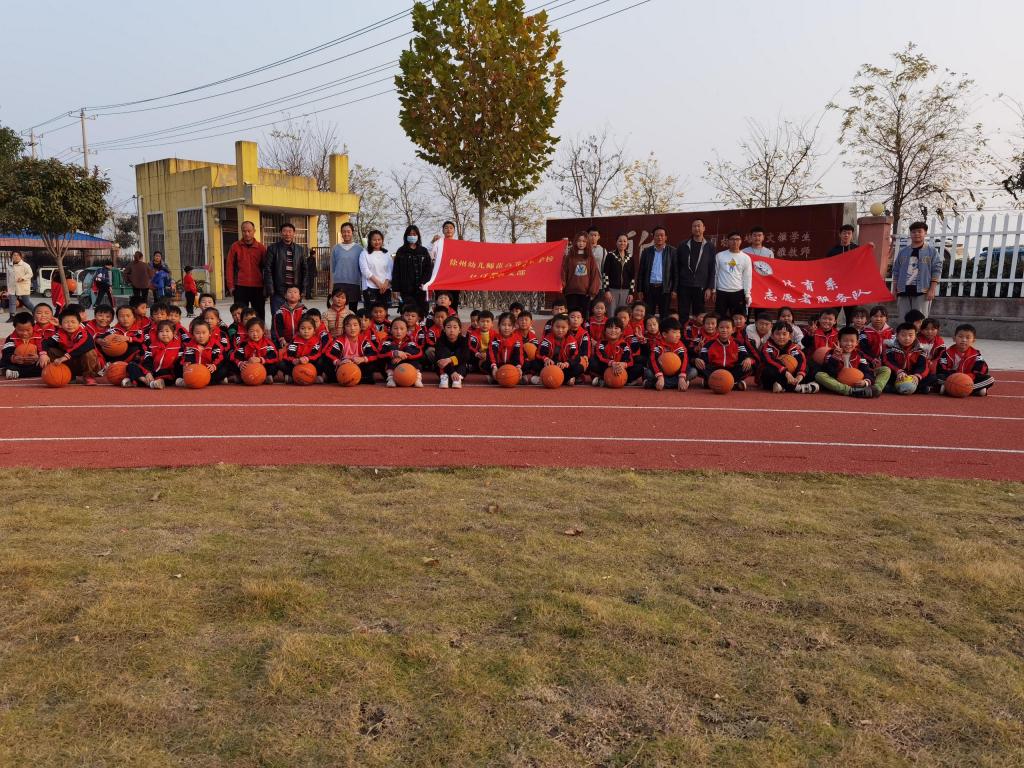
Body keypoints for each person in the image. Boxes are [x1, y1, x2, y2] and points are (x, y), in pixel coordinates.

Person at [815, 326, 890, 398]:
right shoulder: (831, 354)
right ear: (839, 341)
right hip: (839, 382)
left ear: (857, 342)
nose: (849, 344)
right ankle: (850, 391)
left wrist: (866, 382)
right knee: (819, 375)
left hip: (857, 381)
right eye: (845, 341)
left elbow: (866, 371)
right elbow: (830, 372)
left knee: (885, 369)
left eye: (852, 341)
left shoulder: (859, 355)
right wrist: (835, 357)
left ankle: (875, 389)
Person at [892, 221, 942, 318]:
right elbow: (896, 271)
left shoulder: (932, 251)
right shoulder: (903, 252)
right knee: (904, 320)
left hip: (922, 291)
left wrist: (932, 290)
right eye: (913, 232)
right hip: (903, 291)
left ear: (925, 233)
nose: (916, 234)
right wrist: (894, 290)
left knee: (920, 321)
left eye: (919, 231)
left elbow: (936, 270)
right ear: (910, 234)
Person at [41, 305, 100, 386]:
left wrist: (65, 357)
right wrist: (43, 354)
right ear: (61, 324)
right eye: (66, 322)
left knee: (89, 352)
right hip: (69, 362)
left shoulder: (83, 333)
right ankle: (66, 374)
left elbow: (85, 346)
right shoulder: (59, 334)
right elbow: (45, 342)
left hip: (83, 363)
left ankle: (89, 376)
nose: (69, 325)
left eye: (73, 322)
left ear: (79, 323)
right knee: (50, 350)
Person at [936, 324, 995, 396]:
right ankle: (974, 390)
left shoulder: (976, 355)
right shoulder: (946, 353)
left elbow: (982, 370)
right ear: (954, 338)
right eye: (960, 337)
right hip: (951, 379)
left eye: (968, 337)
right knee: (935, 377)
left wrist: (967, 377)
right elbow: (941, 369)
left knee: (990, 379)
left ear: (973, 340)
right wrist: (956, 376)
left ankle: (953, 389)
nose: (964, 340)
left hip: (969, 380)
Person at [226, 221, 268, 322]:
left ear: (254, 231)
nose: (247, 233)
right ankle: (240, 332)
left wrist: (266, 287)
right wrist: (230, 286)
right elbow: (229, 266)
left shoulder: (261, 248)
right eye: (244, 231)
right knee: (239, 315)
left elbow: (267, 268)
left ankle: (259, 331)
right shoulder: (235, 247)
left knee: (258, 314)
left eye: (249, 231)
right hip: (240, 286)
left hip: (258, 287)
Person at [759, 321, 817, 394]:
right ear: (772, 336)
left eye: (784, 334)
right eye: (777, 334)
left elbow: (802, 360)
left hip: (790, 377)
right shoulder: (767, 347)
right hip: (771, 377)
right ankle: (797, 388)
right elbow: (769, 360)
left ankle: (784, 386)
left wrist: (800, 375)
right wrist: (785, 372)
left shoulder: (793, 347)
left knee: (810, 366)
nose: (781, 337)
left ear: (790, 336)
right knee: (769, 369)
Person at [697, 316, 753, 391]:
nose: (724, 330)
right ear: (717, 329)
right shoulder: (709, 344)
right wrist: (698, 360)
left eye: (727, 328)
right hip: (715, 371)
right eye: (721, 328)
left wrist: (748, 359)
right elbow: (703, 359)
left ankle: (712, 383)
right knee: (700, 365)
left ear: (733, 330)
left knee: (748, 367)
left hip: (732, 370)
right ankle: (734, 384)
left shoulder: (738, 343)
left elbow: (744, 356)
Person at [675, 219, 716, 320]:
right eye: (694, 226)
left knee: (699, 316)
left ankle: (697, 331)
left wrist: (709, 288)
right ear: (691, 228)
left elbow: (712, 268)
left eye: (699, 226)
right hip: (684, 285)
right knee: (683, 313)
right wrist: (675, 287)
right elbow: (677, 267)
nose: (697, 228)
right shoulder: (683, 245)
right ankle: (683, 330)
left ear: (704, 228)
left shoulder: (709, 246)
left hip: (700, 286)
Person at [263, 223, 307, 317]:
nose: (287, 234)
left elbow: (305, 270)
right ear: (280, 233)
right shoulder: (273, 248)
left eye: (290, 231)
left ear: (294, 233)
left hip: (294, 291)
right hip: (278, 291)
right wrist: (271, 290)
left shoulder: (300, 250)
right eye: (285, 231)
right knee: (277, 318)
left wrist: (303, 289)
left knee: (295, 318)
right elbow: (267, 269)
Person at [635, 226, 676, 318]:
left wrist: (674, 290)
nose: (659, 237)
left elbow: (675, 272)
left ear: (666, 237)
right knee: (649, 314)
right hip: (649, 289)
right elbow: (641, 272)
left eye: (662, 235)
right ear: (653, 237)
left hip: (665, 289)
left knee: (664, 315)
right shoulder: (646, 251)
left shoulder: (672, 251)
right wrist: (640, 290)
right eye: (657, 235)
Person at [392, 225, 433, 314]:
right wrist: (395, 289)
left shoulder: (423, 251)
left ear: (418, 236)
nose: (412, 236)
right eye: (410, 234)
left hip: (421, 289)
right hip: (406, 290)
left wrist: (424, 282)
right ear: (406, 236)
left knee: (422, 312)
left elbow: (428, 269)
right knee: (407, 313)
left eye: (414, 234)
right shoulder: (401, 251)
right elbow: (396, 271)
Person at [561, 232, 601, 316]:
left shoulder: (590, 258)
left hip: (585, 293)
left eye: (584, 241)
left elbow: (594, 275)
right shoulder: (569, 257)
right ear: (575, 242)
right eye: (579, 241)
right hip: (571, 293)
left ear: (587, 243)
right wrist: (562, 286)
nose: (581, 243)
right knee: (572, 316)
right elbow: (564, 272)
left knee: (583, 316)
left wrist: (592, 292)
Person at [644, 316, 689, 391]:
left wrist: (681, 377)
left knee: (693, 372)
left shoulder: (680, 345)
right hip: (661, 372)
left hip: (676, 373)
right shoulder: (657, 344)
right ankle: (674, 383)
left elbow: (684, 360)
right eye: (674, 332)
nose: (678, 335)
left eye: (679, 332)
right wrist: (660, 376)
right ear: (664, 334)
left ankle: (653, 384)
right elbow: (653, 359)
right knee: (648, 372)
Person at [714, 233, 752, 318]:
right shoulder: (720, 256)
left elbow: (747, 277)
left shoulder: (746, 258)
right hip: (721, 292)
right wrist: (714, 290)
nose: (735, 242)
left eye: (737, 239)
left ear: (741, 241)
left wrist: (747, 294)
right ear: (728, 241)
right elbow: (715, 274)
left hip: (738, 292)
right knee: (719, 318)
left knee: (737, 318)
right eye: (732, 239)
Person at [232, 318, 280, 384]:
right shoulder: (244, 344)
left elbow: (274, 355)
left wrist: (260, 359)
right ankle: (242, 376)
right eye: (252, 331)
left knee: (274, 366)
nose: (255, 334)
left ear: (263, 331)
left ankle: (266, 376)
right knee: (232, 364)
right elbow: (236, 356)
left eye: (258, 331)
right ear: (247, 332)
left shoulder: (268, 343)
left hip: (263, 366)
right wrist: (241, 363)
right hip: (248, 367)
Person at [381, 317, 424, 388]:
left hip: (406, 365)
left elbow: (419, 353)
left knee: (410, 350)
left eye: (402, 329)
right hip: (391, 365)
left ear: (407, 330)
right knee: (391, 348)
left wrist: (403, 356)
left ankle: (417, 378)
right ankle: (391, 378)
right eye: (395, 328)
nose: (398, 331)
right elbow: (380, 354)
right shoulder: (386, 340)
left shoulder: (410, 340)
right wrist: (395, 353)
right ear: (390, 330)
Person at [330, 222, 364, 311]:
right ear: (341, 233)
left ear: (352, 232)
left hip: (354, 283)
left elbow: (363, 268)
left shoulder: (359, 249)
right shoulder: (336, 248)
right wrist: (331, 287)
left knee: (353, 310)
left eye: (348, 231)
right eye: (344, 232)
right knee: (338, 309)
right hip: (339, 283)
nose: (346, 234)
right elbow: (332, 269)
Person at [2, 311, 43, 379]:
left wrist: (38, 357)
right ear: (15, 327)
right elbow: (6, 353)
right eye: (20, 330)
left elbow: (44, 350)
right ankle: (11, 371)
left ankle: (17, 373)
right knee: (4, 362)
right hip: (17, 364)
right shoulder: (11, 338)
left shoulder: (40, 337)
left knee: (43, 366)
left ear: (33, 326)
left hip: (33, 364)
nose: (25, 333)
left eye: (28, 330)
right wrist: (13, 358)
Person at [435, 315, 472, 388]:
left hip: (459, 366)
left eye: (455, 327)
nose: (452, 330)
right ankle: (444, 376)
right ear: (444, 329)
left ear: (459, 330)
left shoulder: (463, 340)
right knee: (442, 356)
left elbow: (465, 356)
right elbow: (440, 357)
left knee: (461, 356)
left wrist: (450, 359)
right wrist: (452, 372)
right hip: (444, 367)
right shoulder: (440, 340)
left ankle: (458, 378)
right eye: (448, 327)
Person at [359, 230, 392, 310]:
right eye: (374, 240)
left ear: (382, 240)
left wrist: (385, 283)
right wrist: (378, 283)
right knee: (371, 312)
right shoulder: (364, 253)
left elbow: (390, 270)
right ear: (370, 241)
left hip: (385, 288)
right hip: (370, 288)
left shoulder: (386, 254)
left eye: (379, 239)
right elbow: (364, 270)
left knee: (383, 312)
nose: (377, 242)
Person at [430, 221, 459, 311]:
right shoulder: (438, 243)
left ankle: (453, 318)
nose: (448, 230)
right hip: (440, 278)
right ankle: (439, 318)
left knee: (453, 302)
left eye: (451, 228)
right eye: (446, 228)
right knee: (441, 302)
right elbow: (431, 256)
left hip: (454, 279)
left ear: (454, 230)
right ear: (443, 230)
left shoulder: (459, 244)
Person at [601, 233, 634, 311]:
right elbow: (605, 274)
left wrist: (631, 293)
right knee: (611, 313)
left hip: (626, 291)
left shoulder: (630, 257)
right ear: (616, 242)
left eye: (624, 241)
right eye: (620, 241)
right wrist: (607, 291)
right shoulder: (610, 255)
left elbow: (632, 277)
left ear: (627, 243)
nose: (622, 243)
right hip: (612, 290)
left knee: (623, 314)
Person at [271, 286, 306, 350]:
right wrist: (281, 338)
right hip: (285, 341)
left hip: (300, 339)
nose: (292, 294)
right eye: (290, 292)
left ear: (299, 296)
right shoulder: (280, 311)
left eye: (295, 292)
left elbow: (306, 325)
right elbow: (278, 327)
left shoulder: (304, 311)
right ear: (285, 296)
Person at [5, 251, 35, 321]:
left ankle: (35, 312)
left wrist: (23, 278)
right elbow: (8, 277)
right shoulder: (9, 265)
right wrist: (8, 287)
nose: (16, 256)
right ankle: (12, 317)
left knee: (26, 302)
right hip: (12, 287)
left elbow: (30, 274)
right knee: (12, 302)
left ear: (21, 257)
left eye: (18, 255)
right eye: (14, 255)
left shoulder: (25, 265)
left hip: (23, 286)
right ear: (12, 257)